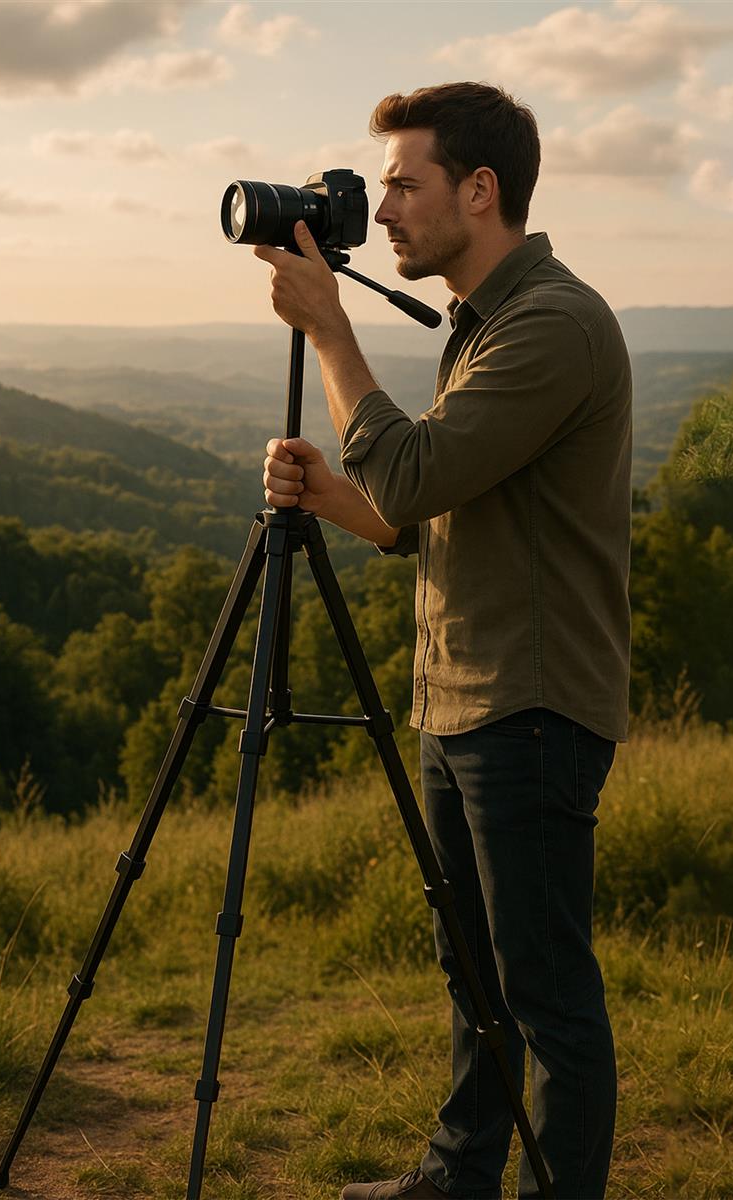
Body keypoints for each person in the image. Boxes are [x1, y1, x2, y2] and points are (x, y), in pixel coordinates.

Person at [255, 81, 631, 1200]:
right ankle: (459, 1176)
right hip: (459, 696)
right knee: (473, 973)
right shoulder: (482, 323)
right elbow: (421, 514)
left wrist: (330, 330)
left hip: (533, 703)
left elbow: (413, 469)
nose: (385, 210)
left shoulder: (553, 324)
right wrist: (328, 495)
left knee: (545, 988)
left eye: (406, 185)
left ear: (481, 190)